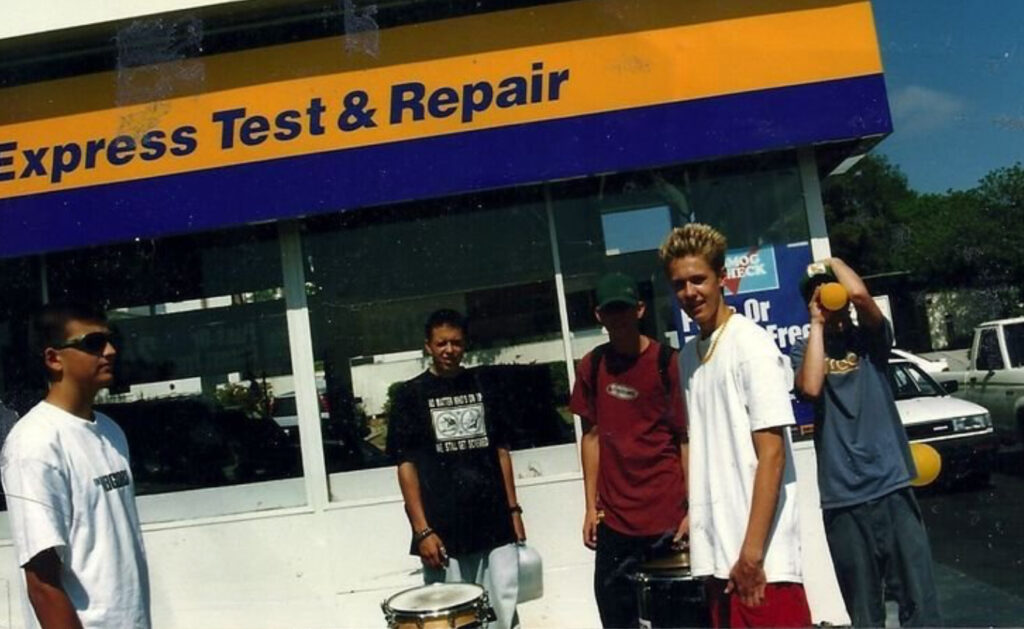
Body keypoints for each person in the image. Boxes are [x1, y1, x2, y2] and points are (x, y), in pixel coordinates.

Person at [661, 224, 810, 629]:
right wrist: (698, 512)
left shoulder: (752, 346)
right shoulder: (688, 357)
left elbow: (772, 454)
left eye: (699, 279)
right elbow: (709, 446)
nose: (690, 292)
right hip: (720, 560)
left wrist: (752, 554)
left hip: (761, 565)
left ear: (721, 279)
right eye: (679, 284)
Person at [791, 258, 941, 627]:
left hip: (891, 484)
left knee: (920, 603)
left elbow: (858, 293)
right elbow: (810, 388)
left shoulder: (871, 340)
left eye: (829, 288)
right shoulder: (806, 349)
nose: (828, 296)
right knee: (864, 611)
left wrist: (832, 263)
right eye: (817, 294)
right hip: (843, 496)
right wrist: (817, 323)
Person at [0, 303, 151, 629]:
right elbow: (42, 585)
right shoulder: (35, 444)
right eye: (93, 343)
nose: (110, 351)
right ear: (54, 358)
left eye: (112, 341)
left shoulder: (110, 431)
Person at [386, 309, 525, 629]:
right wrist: (422, 530)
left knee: (502, 614)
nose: (449, 350)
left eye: (456, 343)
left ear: (465, 345)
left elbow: (501, 451)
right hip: (442, 532)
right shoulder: (410, 395)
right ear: (428, 346)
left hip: (494, 525)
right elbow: (405, 466)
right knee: (451, 620)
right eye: (441, 343)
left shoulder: (484, 384)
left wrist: (514, 511)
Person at [568, 272, 690, 629]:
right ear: (599, 316)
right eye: (610, 311)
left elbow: (685, 439)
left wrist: (691, 509)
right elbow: (591, 438)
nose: (618, 318)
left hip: (667, 521)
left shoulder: (668, 363)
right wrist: (590, 506)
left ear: (639, 310)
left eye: (624, 309)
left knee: (677, 621)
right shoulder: (591, 366)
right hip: (615, 524)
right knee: (617, 620)